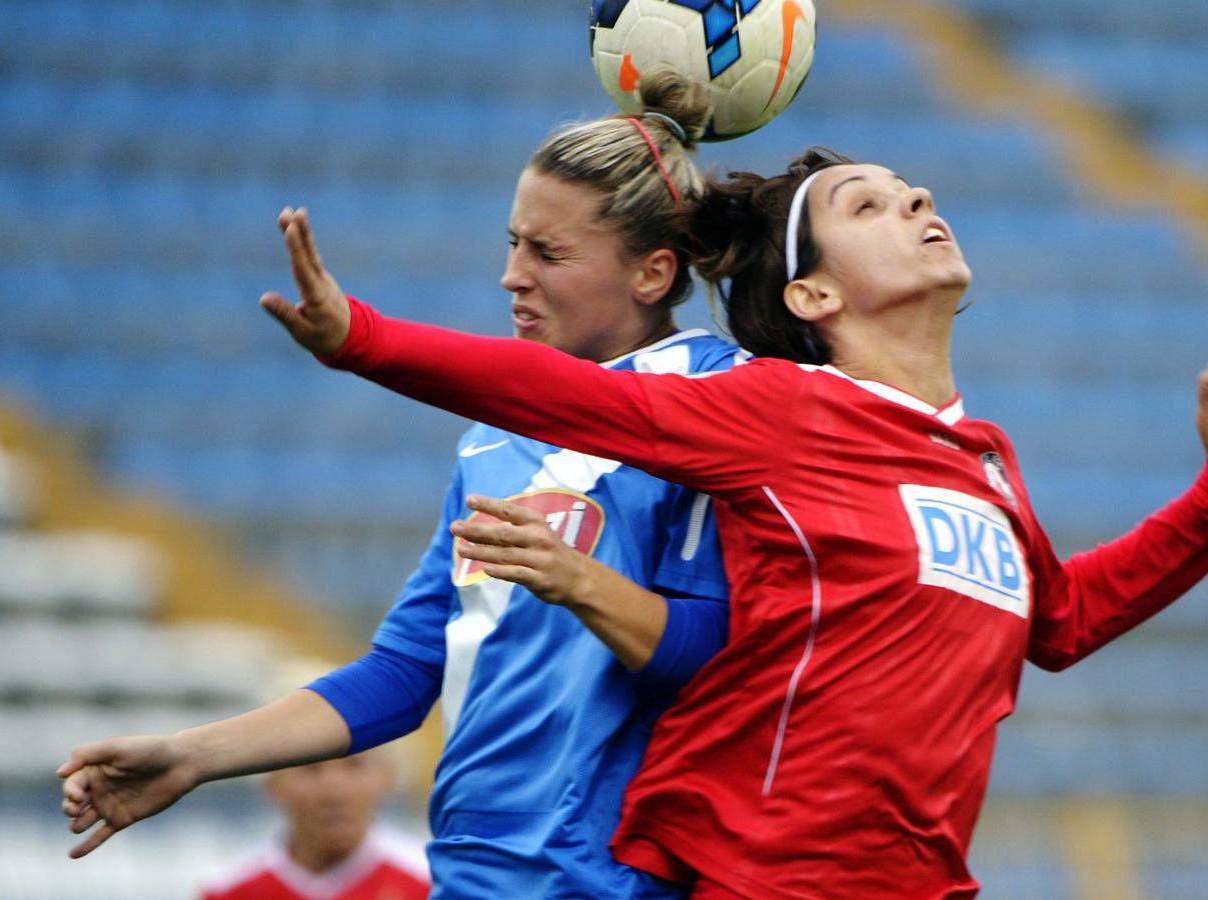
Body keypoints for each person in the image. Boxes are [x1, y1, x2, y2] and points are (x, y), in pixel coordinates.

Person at [259, 146, 1208, 898]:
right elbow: (568, 395)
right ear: (813, 289)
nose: (918, 198)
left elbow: (1059, 621)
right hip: (768, 875)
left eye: (910, 190)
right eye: (867, 203)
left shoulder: (984, 462)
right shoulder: (781, 410)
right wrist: (363, 338)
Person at [59, 69, 740, 898]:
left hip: (617, 881)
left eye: (548, 253)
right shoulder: (494, 441)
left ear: (652, 273)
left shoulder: (721, 404)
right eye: (512, 242)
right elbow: (408, 669)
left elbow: (722, 654)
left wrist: (582, 585)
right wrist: (195, 755)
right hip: (473, 877)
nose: (511, 276)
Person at [200, 750, 429, 900]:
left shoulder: (432, 881)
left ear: (387, 777)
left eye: (354, 765)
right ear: (272, 785)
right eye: (310, 768)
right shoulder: (229, 890)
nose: (334, 791)